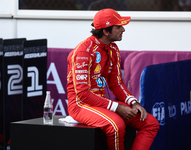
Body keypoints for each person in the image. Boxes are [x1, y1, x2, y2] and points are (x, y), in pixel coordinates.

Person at [67, 8, 159, 150]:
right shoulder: (83, 51)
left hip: (102, 103)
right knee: (116, 126)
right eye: (118, 27)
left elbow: (116, 83)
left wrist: (133, 102)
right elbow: (83, 94)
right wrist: (116, 107)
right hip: (80, 105)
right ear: (105, 31)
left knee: (150, 123)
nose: (123, 30)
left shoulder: (113, 49)